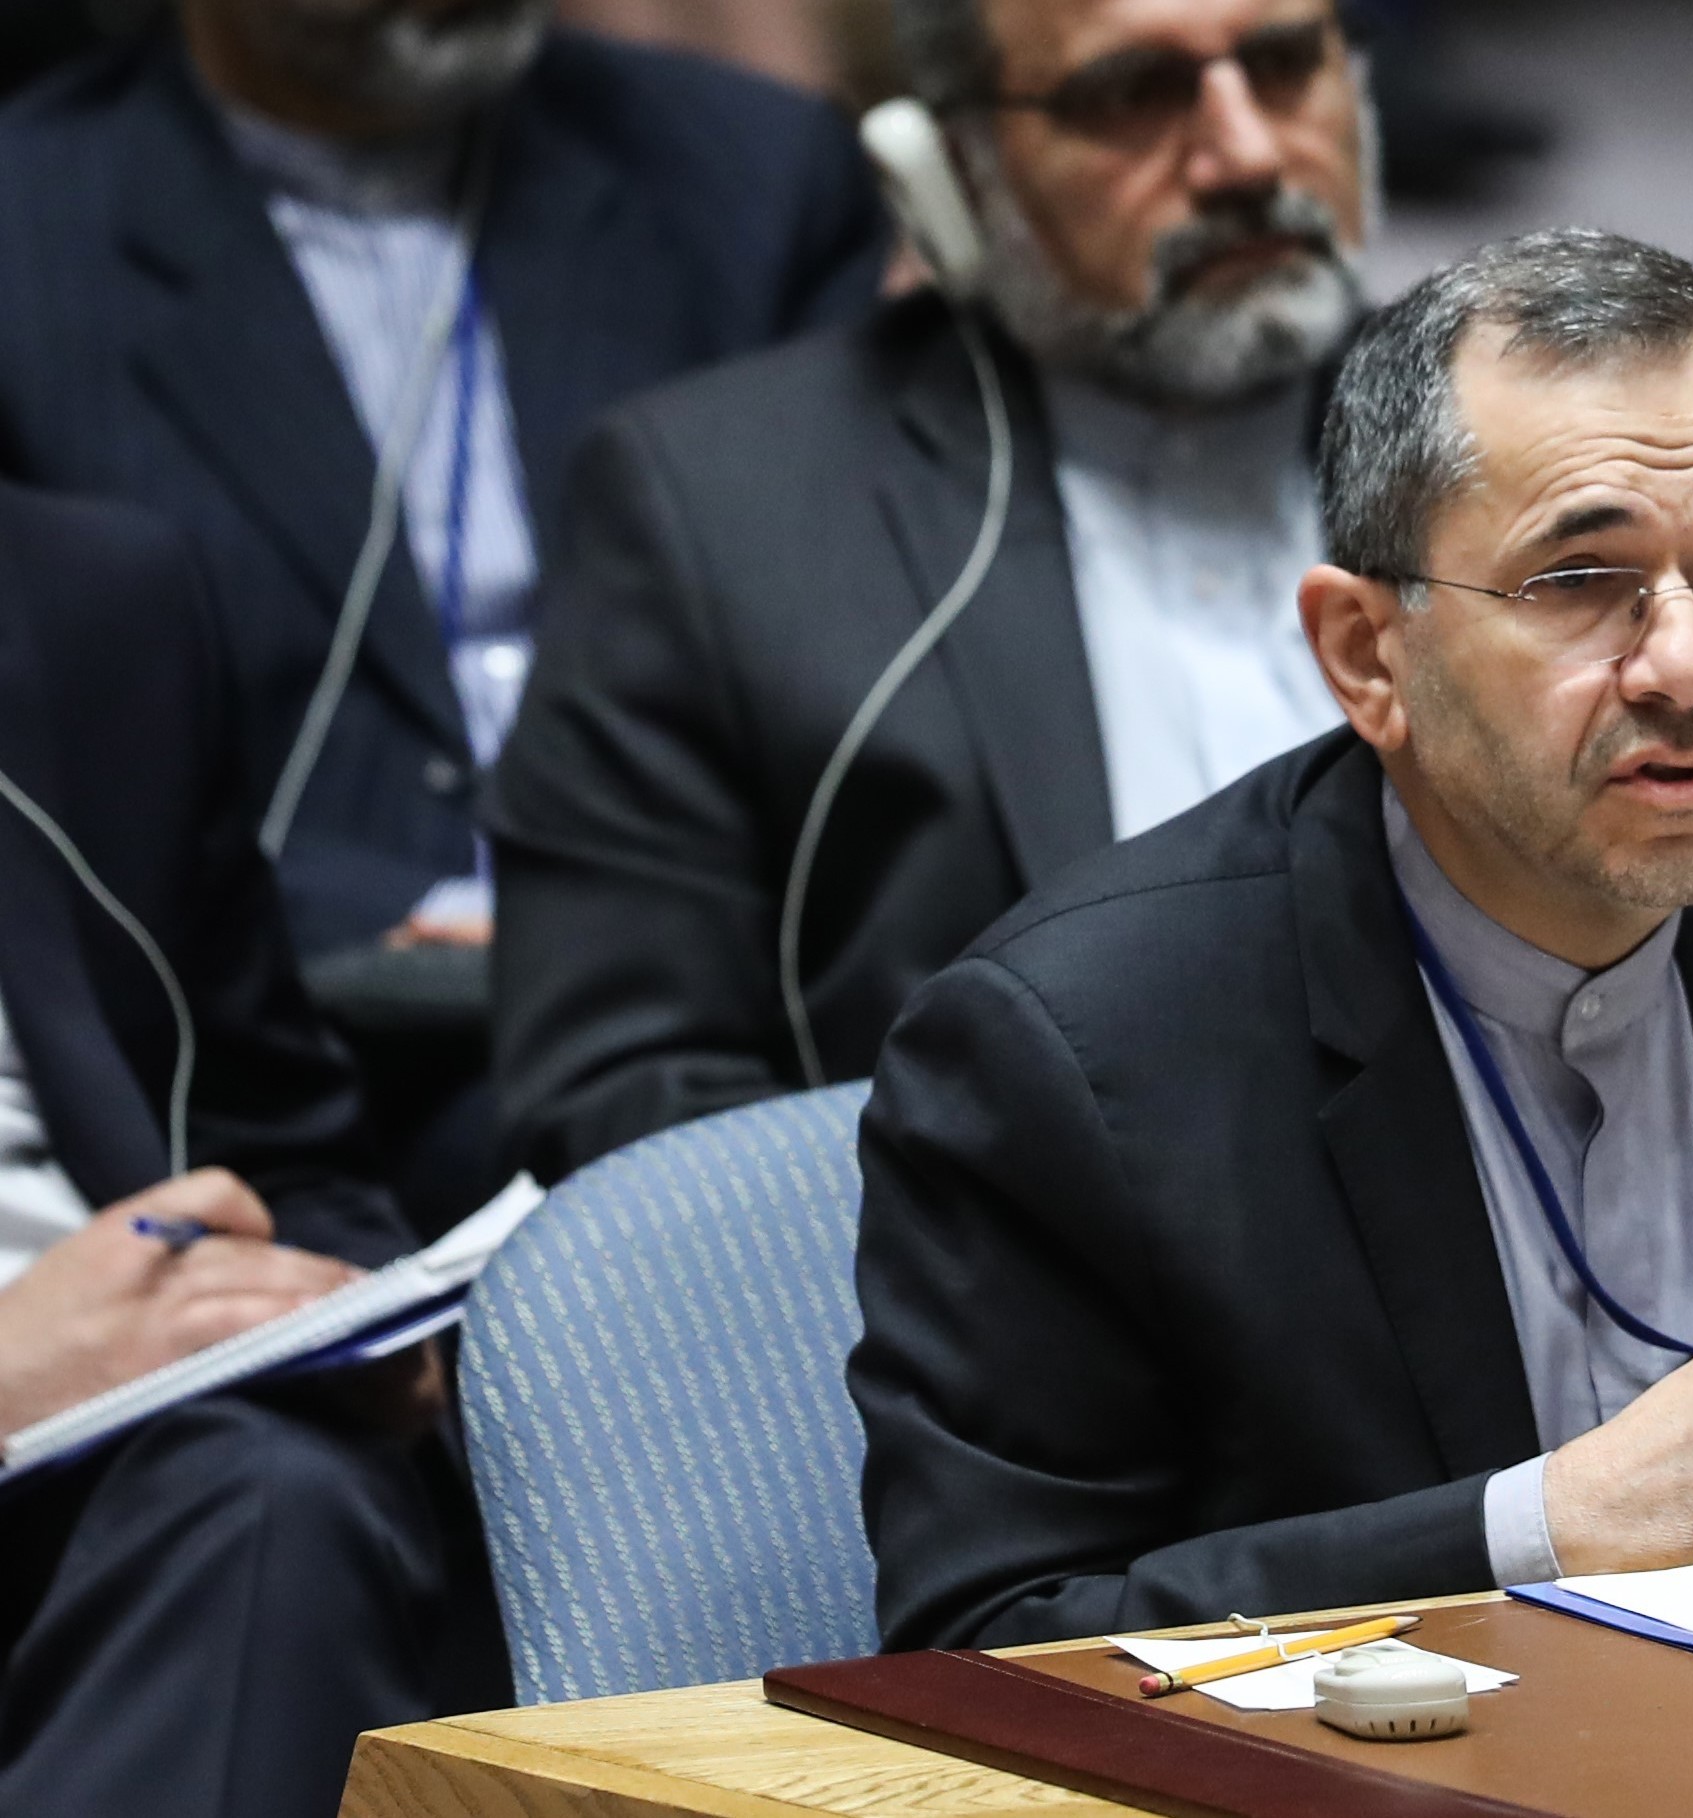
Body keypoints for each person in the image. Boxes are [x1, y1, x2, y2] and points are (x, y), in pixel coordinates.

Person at [850, 229, 1693, 1645]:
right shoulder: (1086, 1047)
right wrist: (1549, 1527)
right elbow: (987, 1643)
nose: (1685, 665)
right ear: (1366, 652)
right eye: (1581, 582)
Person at [0, 0, 888, 1223]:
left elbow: (848, 655)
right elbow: (52, 768)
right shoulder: (27, 230)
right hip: (291, 1036)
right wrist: (373, 912)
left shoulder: (752, 169)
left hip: (701, 972)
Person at [487, 0, 1374, 1183]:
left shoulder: (1542, 443)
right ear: (950, 173)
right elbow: (624, 1092)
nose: (1246, 155)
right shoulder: (715, 509)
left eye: (1279, 65)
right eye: (1128, 95)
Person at [0, 480, 498, 1818]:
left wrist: (346, 1313)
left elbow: (275, 1131)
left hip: (156, 1449)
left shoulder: (89, 595)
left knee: (280, 1497)